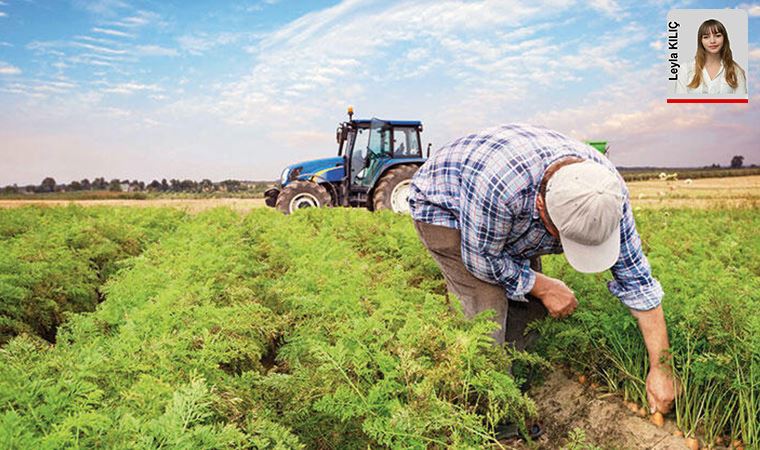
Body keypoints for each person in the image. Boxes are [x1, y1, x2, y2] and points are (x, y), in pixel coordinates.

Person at [408, 124, 677, 430]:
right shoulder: (500, 188)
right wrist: (542, 284)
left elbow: (638, 283)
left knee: (531, 309)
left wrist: (662, 368)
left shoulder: (606, 193)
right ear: (541, 207)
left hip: (506, 215)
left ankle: (515, 383)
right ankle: (490, 413)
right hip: (447, 209)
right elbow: (481, 260)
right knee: (487, 311)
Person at [676, 18, 747, 95]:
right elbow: (679, 103)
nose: (712, 41)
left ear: (724, 39)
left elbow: (742, 103)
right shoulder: (685, 69)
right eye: (706, 37)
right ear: (701, 41)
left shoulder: (736, 71)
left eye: (717, 36)